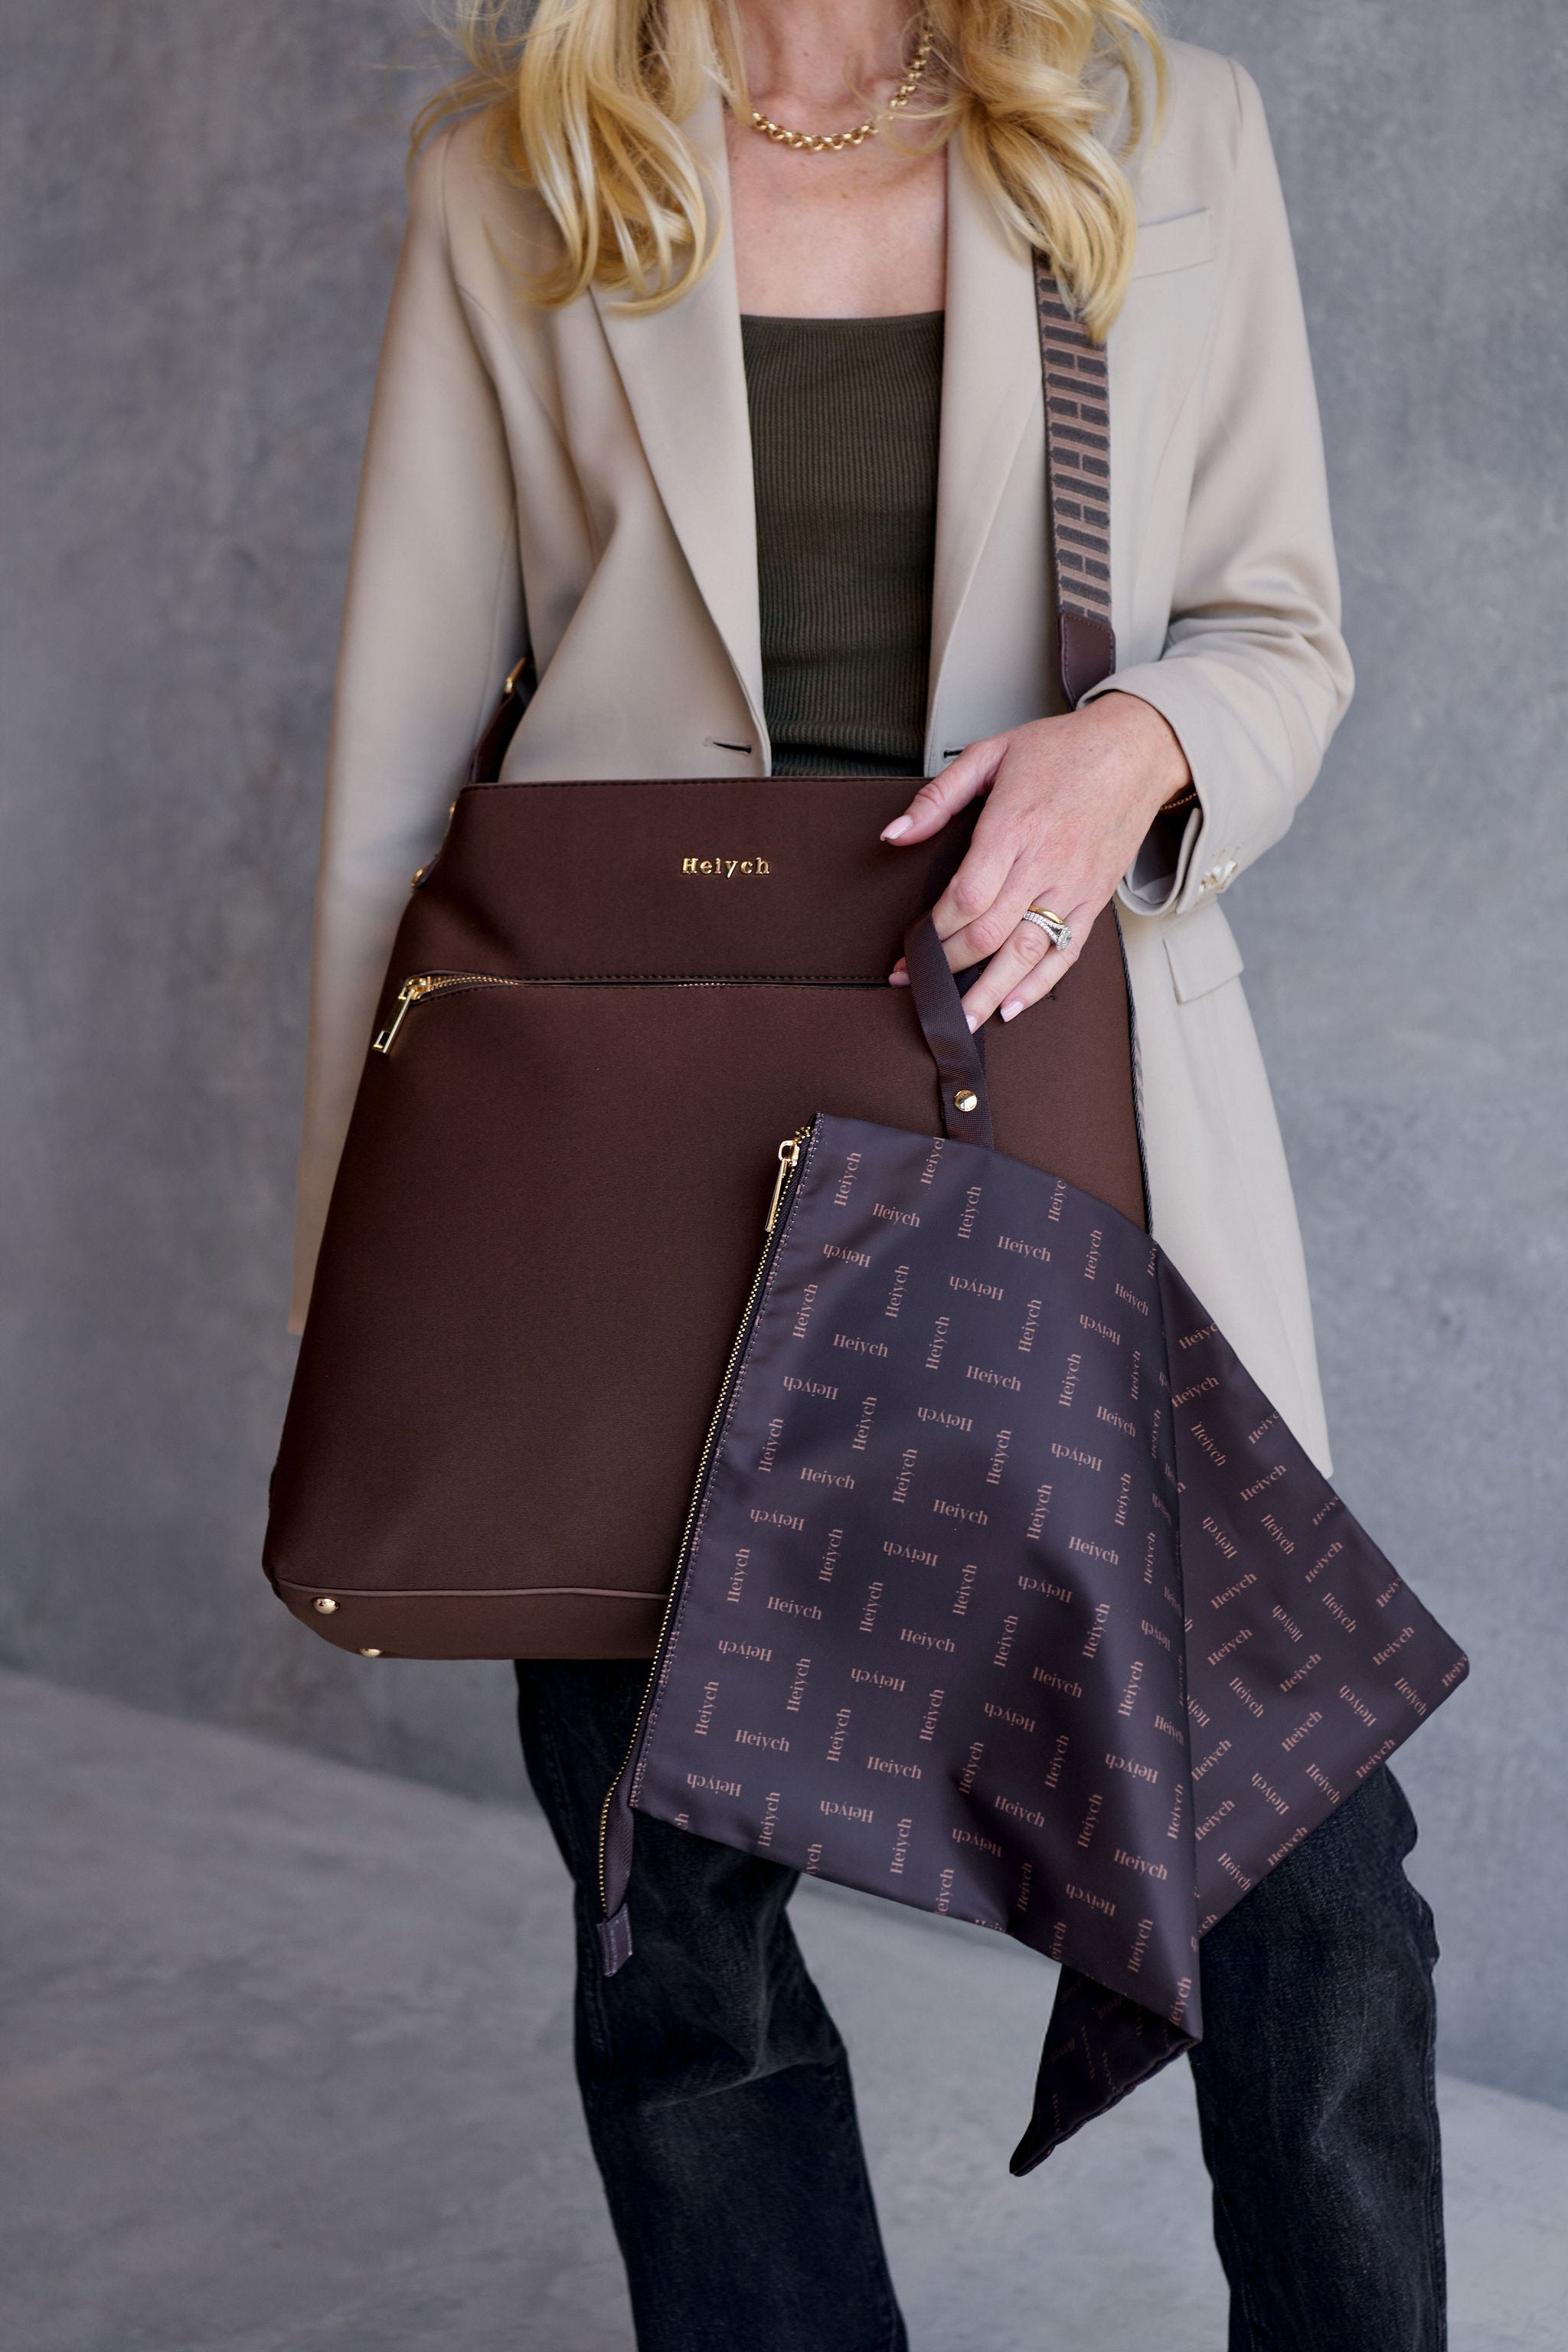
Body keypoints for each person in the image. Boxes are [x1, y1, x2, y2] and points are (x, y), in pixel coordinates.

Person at [290, 1, 1445, 2343]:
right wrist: (372, 1273)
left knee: (1307, 1890)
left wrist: (1133, 743)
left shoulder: (1162, 126)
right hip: (621, 1145)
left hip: (1052, 1083)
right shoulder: (507, 161)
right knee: (674, 1924)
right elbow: (405, 751)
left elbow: (1280, 633)